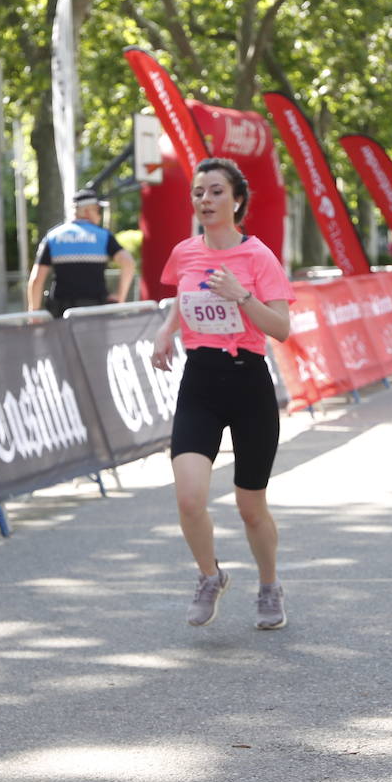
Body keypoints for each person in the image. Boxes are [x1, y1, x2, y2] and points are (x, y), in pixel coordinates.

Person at [150, 157, 293, 630]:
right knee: (189, 497)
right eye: (198, 193)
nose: (204, 201)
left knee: (250, 506)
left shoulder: (258, 257)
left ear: (237, 201)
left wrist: (242, 296)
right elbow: (182, 296)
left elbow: (282, 330)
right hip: (201, 382)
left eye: (215, 192)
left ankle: (269, 585)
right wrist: (166, 331)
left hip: (249, 381)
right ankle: (210, 575)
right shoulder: (185, 252)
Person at [27, 189, 135, 318]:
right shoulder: (103, 236)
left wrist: (34, 313)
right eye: (98, 210)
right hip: (96, 313)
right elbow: (128, 263)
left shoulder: (53, 236)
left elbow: (36, 279)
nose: (99, 216)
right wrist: (120, 298)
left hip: (62, 314)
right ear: (87, 212)